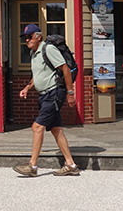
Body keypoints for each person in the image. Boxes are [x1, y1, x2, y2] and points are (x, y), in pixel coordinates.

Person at [13, 24, 80, 177]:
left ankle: (32, 166)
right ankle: (71, 165)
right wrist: (27, 88)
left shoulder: (48, 49)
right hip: (44, 95)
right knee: (56, 129)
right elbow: (37, 76)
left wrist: (70, 93)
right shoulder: (34, 53)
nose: (27, 40)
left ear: (38, 36)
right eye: (25, 37)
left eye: (30, 37)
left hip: (54, 93)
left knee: (37, 127)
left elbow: (65, 69)